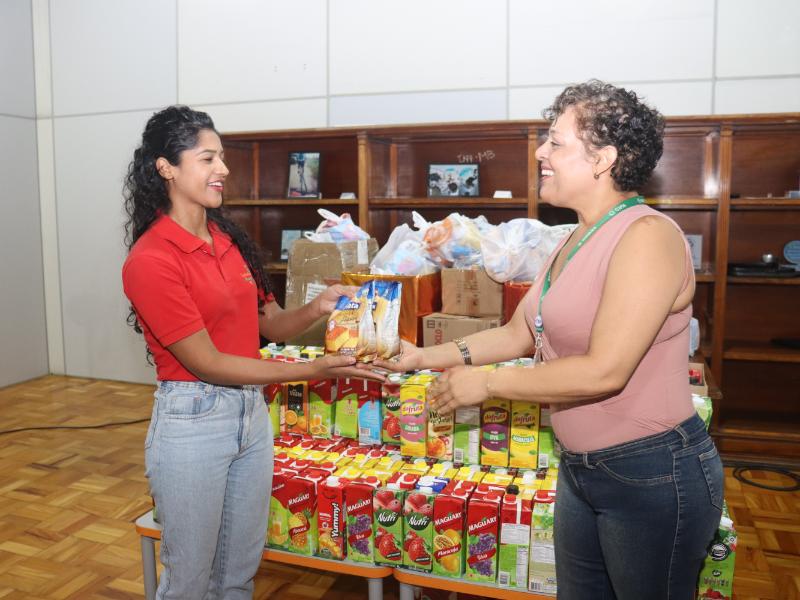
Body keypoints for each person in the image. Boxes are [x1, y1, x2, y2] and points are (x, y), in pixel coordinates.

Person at [376, 80, 723, 599]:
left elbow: (605, 370)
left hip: (652, 471)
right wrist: (424, 355)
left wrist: (487, 384)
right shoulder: (574, 236)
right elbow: (520, 332)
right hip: (583, 470)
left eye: (556, 142)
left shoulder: (647, 237)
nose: (541, 152)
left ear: (603, 159)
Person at [121, 105, 381, 600]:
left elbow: (270, 322)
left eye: (222, 158)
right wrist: (313, 368)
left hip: (250, 416)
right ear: (166, 167)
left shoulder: (227, 240)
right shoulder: (151, 259)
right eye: (207, 158)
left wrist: (318, 308)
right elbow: (206, 362)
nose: (223, 169)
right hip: (192, 421)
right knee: (189, 582)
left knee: (238, 577)